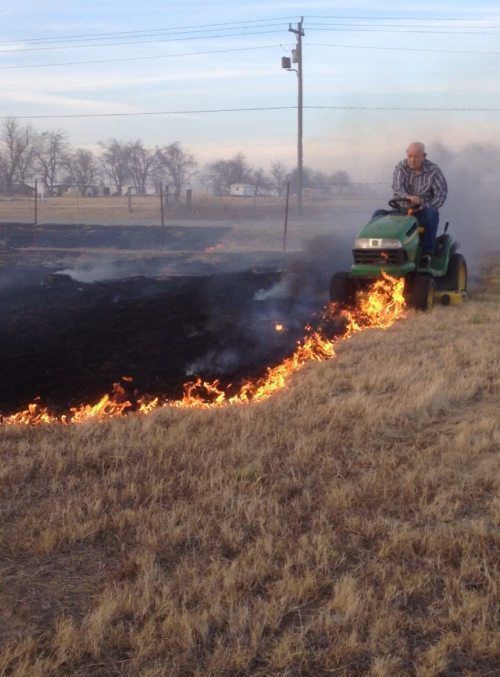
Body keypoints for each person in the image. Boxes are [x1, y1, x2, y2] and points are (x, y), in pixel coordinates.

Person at [373, 142, 448, 261]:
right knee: (378, 214)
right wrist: (408, 197)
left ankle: (426, 253)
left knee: (432, 213)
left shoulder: (433, 171)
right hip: (400, 211)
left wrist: (423, 204)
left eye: (416, 156)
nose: (412, 160)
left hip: (421, 213)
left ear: (424, 156)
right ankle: (377, 252)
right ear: (406, 155)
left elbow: (441, 195)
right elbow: (397, 188)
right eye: (410, 156)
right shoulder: (401, 167)